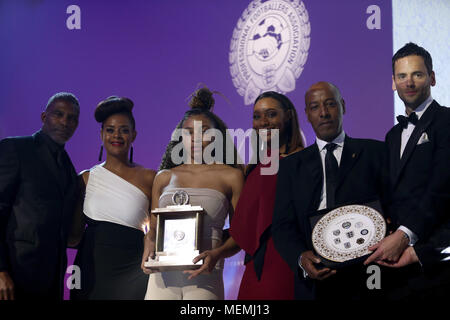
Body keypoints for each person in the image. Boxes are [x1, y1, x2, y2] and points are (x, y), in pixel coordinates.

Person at [272, 82, 386, 300]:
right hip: (316, 276)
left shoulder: (375, 152)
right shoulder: (291, 166)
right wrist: (300, 258)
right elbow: (282, 226)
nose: (324, 113)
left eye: (330, 104)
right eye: (315, 107)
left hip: (368, 272)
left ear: (342, 106)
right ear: (306, 114)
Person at [185, 91, 304, 300]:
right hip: (256, 269)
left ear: (289, 116)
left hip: (290, 265)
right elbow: (244, 232)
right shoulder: (255, 168)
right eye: (257, 116)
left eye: (271, 114)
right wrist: (216, 252)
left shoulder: (305, 162)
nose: (263, 122)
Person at [364, 43, 450, 298]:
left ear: (432, 78)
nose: (409, 82)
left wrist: (404, 236)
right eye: (402, 76)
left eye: (417, 74)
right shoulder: (391, 136)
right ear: (393, 82)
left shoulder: (446, 122)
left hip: (436, 262)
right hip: (396, 268)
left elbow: (442, 188)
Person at [142, 86, 244, 300]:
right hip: (161, 278)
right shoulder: (163, 177)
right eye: (189, 132)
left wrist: (217, 254)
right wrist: (148, 245)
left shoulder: (231, 176)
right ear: (181, 136)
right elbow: (153, 230)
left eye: (204, 131)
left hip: (205, 276)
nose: (196, 138)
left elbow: (240, 235)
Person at [69, 96, 155, 300]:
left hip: (135, 270)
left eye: (124, 130)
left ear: (133, 135)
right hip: (91, 270)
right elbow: (73, 235)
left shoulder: (150, 178)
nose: (117, 135)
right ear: (101, 134)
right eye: (110, 129)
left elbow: (158, 231)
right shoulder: (86, 179)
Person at [0, 92, 80, 300]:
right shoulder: (16, 149)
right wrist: (0, 271)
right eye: (58, 114)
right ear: (44, 117)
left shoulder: (70, 170)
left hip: (51, 282)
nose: (65, 122)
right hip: (13, 276)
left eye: (71, 118)